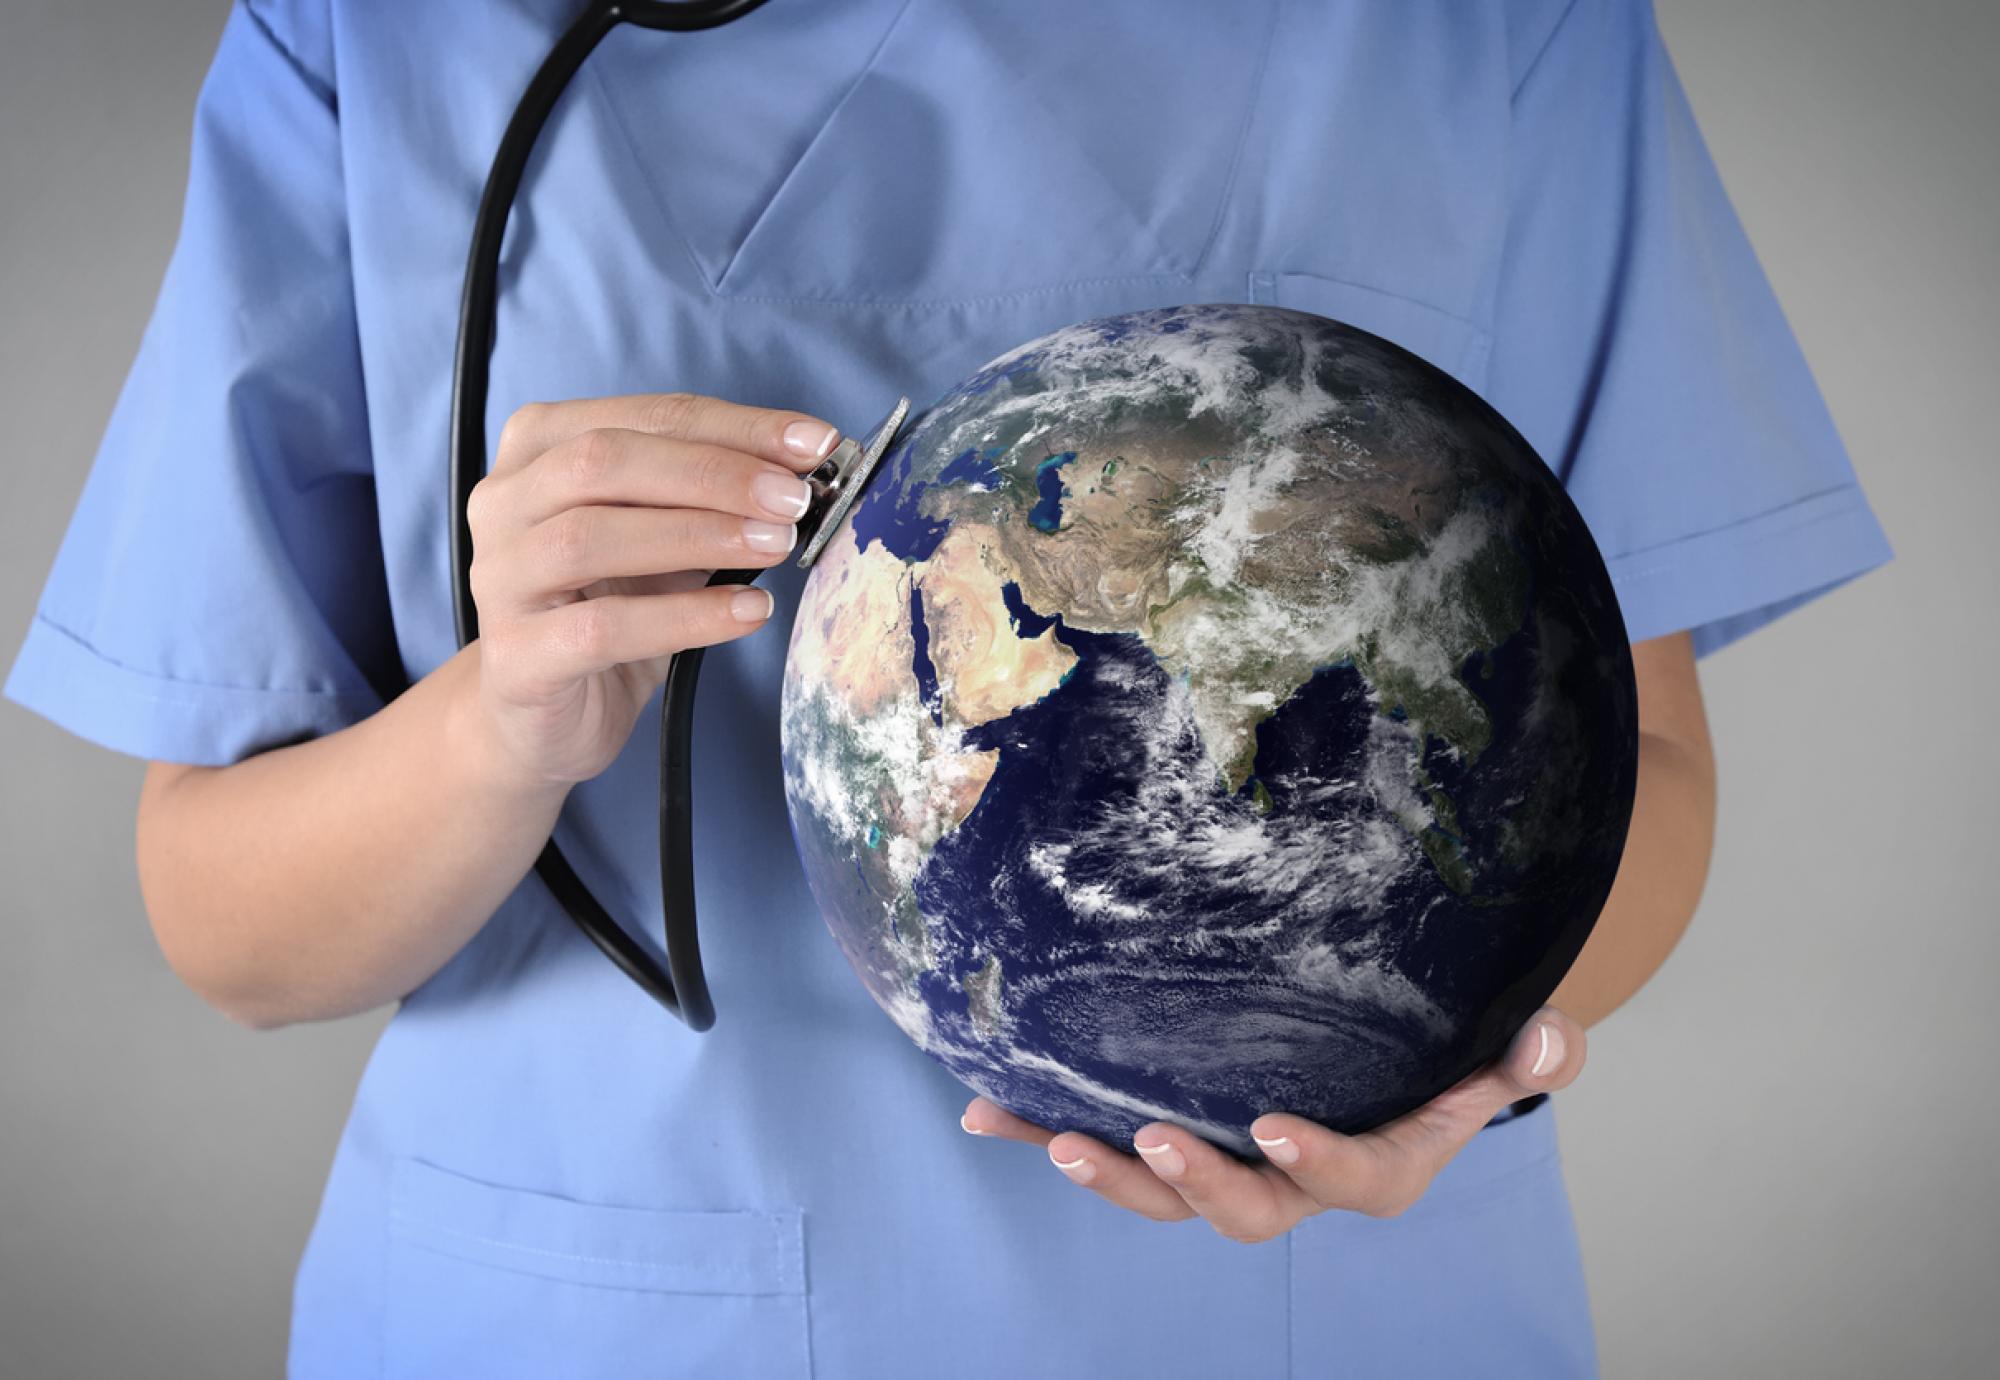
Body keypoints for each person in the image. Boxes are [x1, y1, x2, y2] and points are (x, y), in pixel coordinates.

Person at [5, 0, 1894, 1375]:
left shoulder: (1493, 31)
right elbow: (229, 926)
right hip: (599, 1317)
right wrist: (500, 725)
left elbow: (1632, 771)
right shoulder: (385, 34)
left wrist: (1472, 1044)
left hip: (1328, 1309)